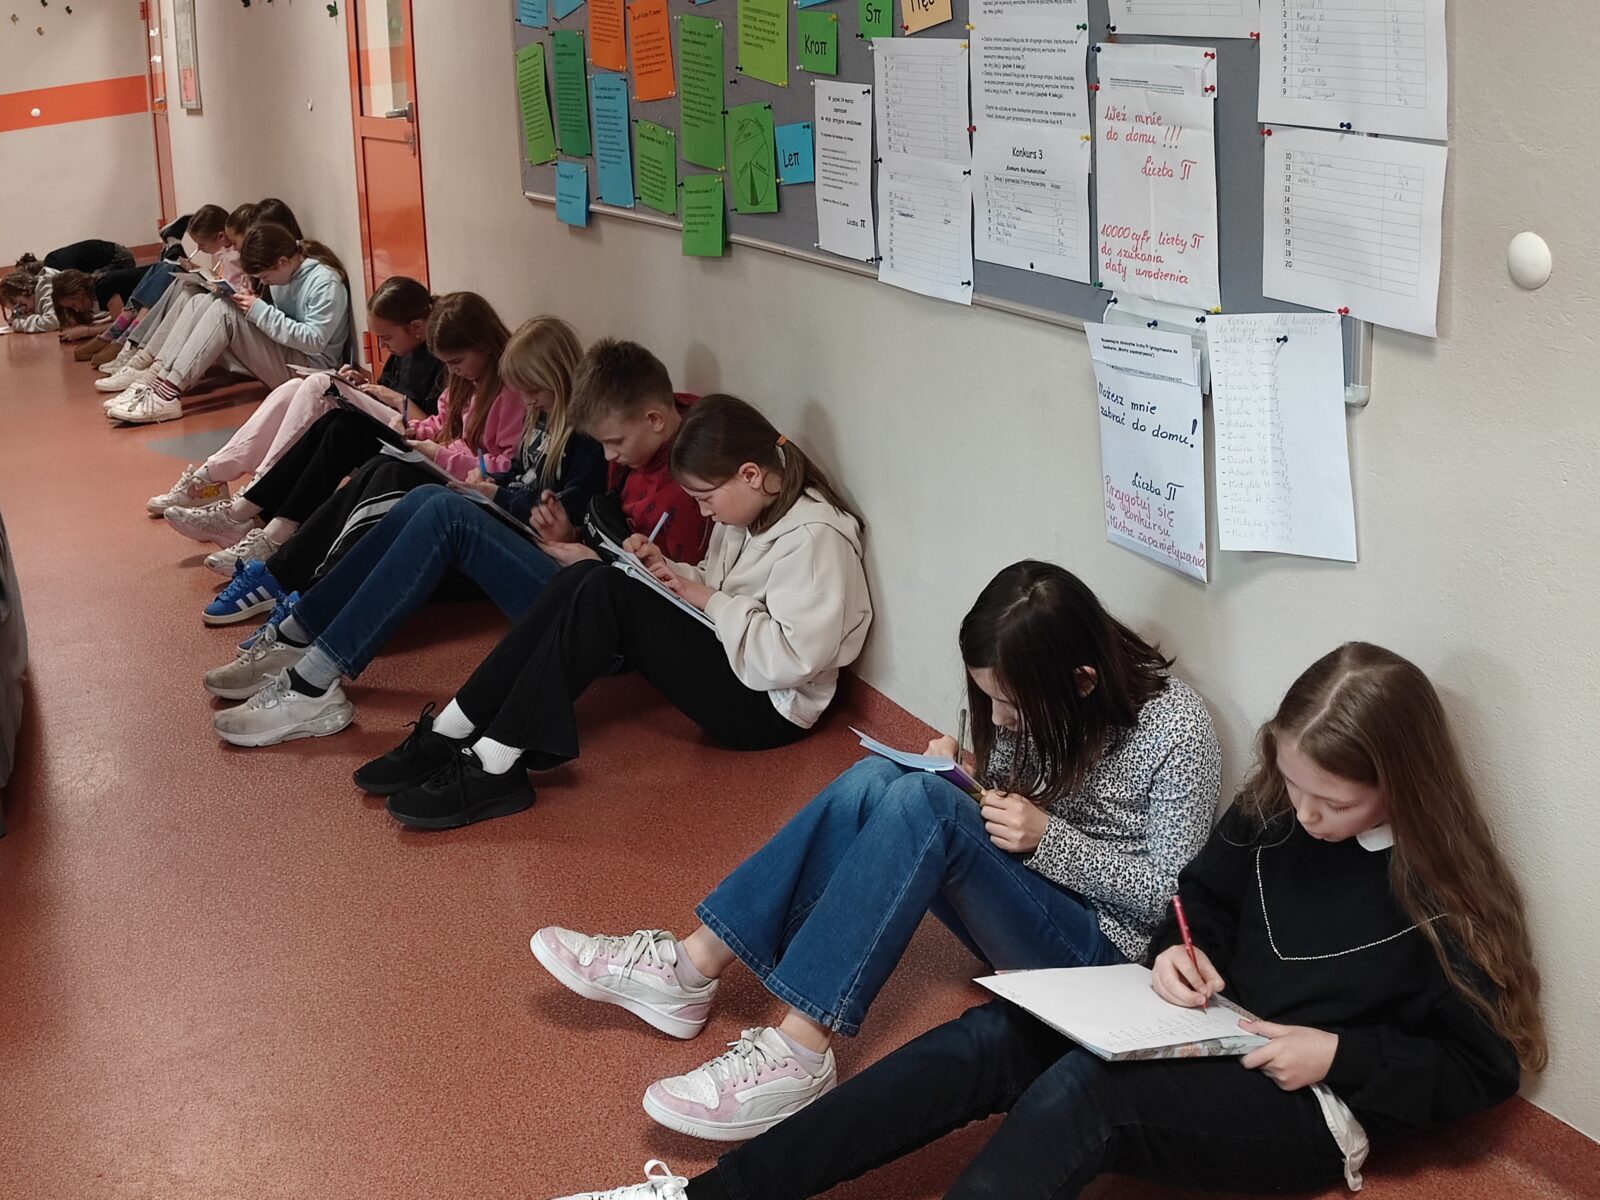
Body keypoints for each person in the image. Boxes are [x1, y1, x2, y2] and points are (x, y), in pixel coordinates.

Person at [551, 642, 1544, 1200]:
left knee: (1085, 1097)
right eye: (1292, 784)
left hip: (1309, 1101)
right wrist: (1179, 955)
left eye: (1333, 801)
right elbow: (1198, 901)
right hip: (1201, 1025)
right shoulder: (1272, 815)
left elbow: (1483, 1067)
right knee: (986, 1038)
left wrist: (1336, 1055)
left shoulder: (1442, 896)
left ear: (1402, 786)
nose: (1304, 812)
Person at [533, 559, 1221, 1140]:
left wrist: (1050, 841)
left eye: (1012, 708)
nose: (1001, 720)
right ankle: (691, 966)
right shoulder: (1042, 692)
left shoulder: (1178, 729)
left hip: (1107, 959)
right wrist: (969, 778)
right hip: (1031, 894)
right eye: (991, 702)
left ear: (1082, 681)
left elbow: (1175, 901)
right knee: (880, 780)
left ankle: (799, 1051)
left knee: (923, 807)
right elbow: (1021, 795)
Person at [348, 394, 871, 832]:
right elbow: (723, 584)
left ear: (751, 474)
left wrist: (706, 598)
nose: (704, 511)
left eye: (706, 499)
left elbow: (791, 659)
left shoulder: (815, 539)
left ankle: (497, 762)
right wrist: (667, 569)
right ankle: (456, 726)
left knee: (607, 590)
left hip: (769, 710)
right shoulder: (752, 509)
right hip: (736, 660)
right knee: (586, 576)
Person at [202, 337, 706, 706]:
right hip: (577, 569)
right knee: (426, 497)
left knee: (444, 511)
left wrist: (589, 556)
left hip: (605, 620)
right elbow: (601, 518)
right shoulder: (646, 439)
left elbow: (666, 599)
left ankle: (312, 676)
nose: (611, 455)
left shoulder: (692, 484)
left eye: (615, 444)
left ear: (655, 420)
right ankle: (300, 632)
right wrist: (569, 536)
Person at [194, 291, 522, 623]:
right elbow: (442, 424)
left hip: (468, 484)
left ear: (484, 345)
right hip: (445, 464)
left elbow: (507, 467)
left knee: (379, 464)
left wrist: (442, 455)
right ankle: (270, 543)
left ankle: (282, 564)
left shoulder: (510, 391)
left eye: (456, 362)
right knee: (344, 429)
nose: (454, 371)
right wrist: (414, 430)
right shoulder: (468, 381)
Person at [146, 276, 443, 517]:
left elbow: (438, 427)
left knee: (319, 384)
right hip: (389, 420)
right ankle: (210, 477)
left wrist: (393, 398)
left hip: (416, 442)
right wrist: (364, 384)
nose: (382, 346)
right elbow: (388, 391)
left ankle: (259, 489)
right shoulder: (404, 351)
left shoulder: (441, 358)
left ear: (417, 328)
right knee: (291, 388)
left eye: (386, 338)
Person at [104, 221, 353, 425]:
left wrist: (259, 310)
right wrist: (251, 301)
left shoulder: (325, 283)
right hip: (289, 355)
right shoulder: (286, 272)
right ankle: (153, 380)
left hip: (311, 369)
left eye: (265, 277)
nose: (265, 283)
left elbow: (314, 340)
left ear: (283, 262)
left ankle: (166, 395)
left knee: (224, 312)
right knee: (201, 300)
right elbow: (283, 319)